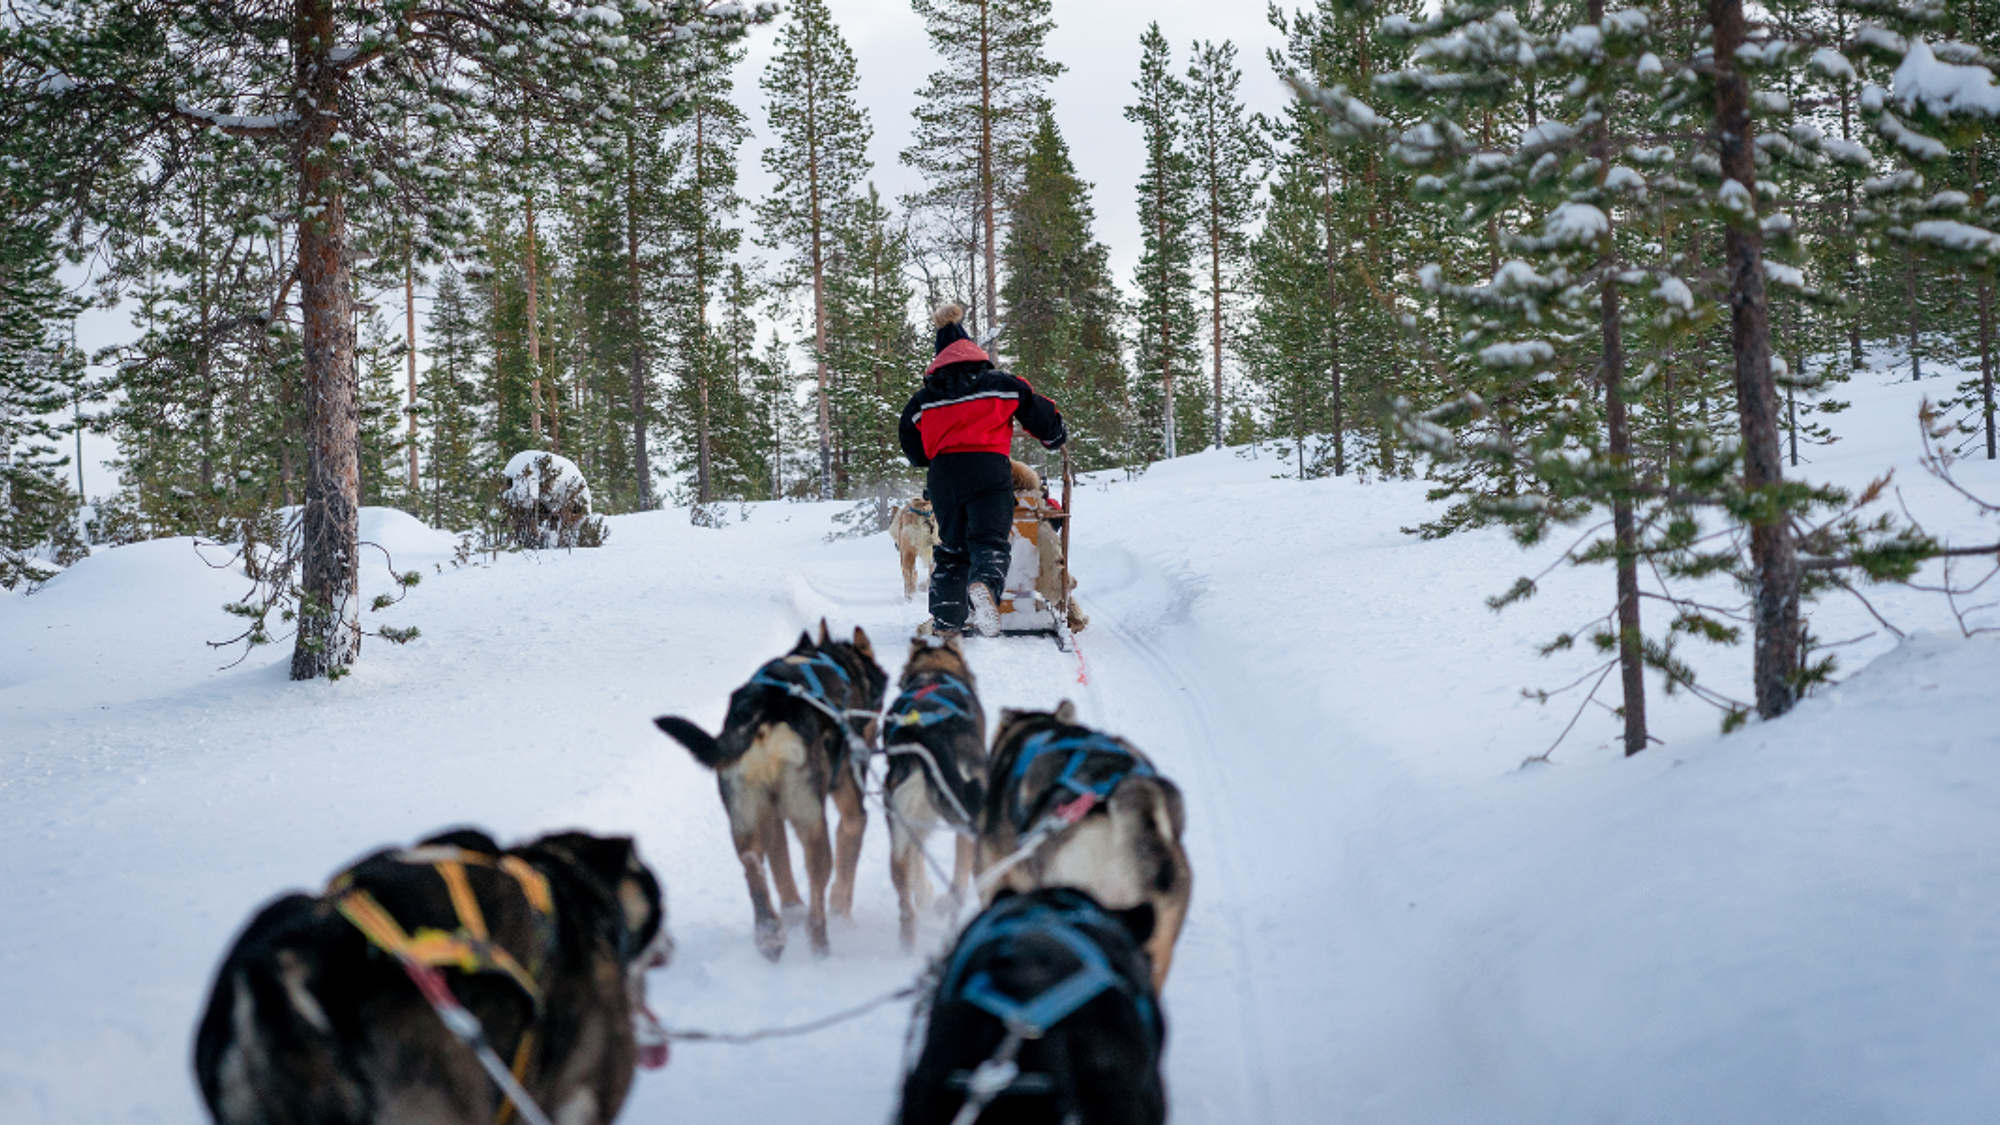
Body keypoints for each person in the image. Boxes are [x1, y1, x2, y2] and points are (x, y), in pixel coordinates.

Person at [898, 303, 1066, 637]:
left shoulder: (922, 400)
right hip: (988, 469)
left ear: (939, 358)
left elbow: (914, 449)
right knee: (989, 539)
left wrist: (937, 449)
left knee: (951, 548)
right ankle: (985, 587)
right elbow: (1041, 415)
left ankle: (947, 620)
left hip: (944, 475)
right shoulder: (1001, 383)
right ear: (972, 350)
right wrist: (1054, 436)